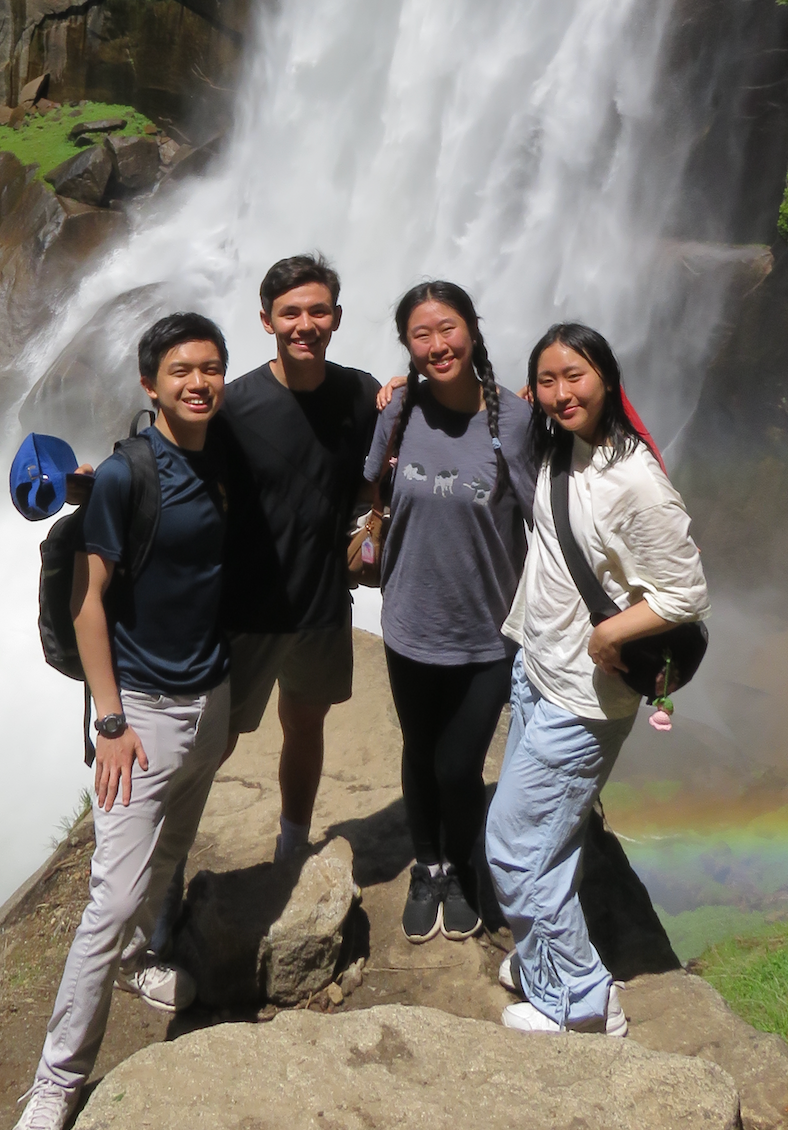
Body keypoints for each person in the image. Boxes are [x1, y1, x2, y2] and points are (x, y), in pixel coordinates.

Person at [13, 313, 232, 1130]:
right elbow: (87, 603)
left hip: (213, 699)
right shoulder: (127, 478)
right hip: (140, 709)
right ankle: (57, 1080)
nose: (198, 382)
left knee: (173, 846)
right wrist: (110, 720)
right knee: (111, 896)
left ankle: (153, 953)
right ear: (150, 384)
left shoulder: (221, 460)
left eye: (210, 368)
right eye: (181, 371)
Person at [485, 322, 709, 1036]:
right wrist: (398, 388)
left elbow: (685, 593)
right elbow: (482, 398)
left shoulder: (636, 482)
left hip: (584, 699)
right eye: (547, 381)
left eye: (575, 376)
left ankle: (581, 1002)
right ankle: (544, 960)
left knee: (515, 847)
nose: (560, 393)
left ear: (607, 377)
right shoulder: (562, 447)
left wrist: (611, 632)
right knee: (550, 839)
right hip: (538, 669)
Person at [363, 282, 535, 943]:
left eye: (448, 329)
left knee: (458, 766)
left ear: (472, 328)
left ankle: (463, 869)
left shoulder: (513, 422)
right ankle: (427, 865)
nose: (437, 346)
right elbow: (363, 479)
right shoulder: (400, 408)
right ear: (407, 344)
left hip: (485, 634)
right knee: (418, 749)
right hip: (408, 623)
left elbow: (546, 519)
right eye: (421, 335)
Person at [221, 254, 380, 859]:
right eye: (290, 312)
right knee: (218, 739)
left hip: (321, 605)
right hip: (246, 608)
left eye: (317, 310)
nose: (304, 324)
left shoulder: (361, 392)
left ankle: (292, 842)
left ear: (336, 317)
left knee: (305, 725)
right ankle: (165, 865)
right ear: (267, 321)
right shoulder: (235, 406)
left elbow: (395, 454)